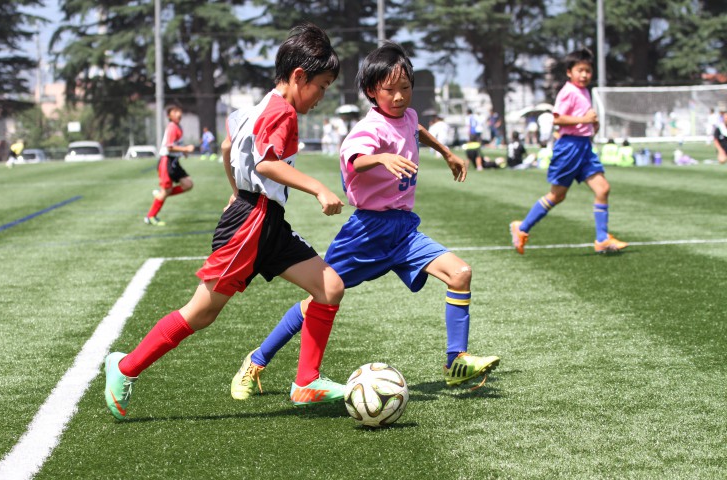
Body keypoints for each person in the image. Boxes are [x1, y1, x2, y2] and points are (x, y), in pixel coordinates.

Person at [230, 41, 499, 402]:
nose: (400, 96)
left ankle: (456, 362)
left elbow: (416, 130)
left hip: (403, 230)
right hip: (366, 233)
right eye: (391, 90)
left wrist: (447, 152)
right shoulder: (367, 129)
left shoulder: (409, 116)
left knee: (460, 273)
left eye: (405, 88)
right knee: (318, 299)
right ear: (373, 91)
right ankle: (257, 361)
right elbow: (354, 158)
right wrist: (381, 158)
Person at [105, 23, 347, 420]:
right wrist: (318, 188)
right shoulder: (283, 112)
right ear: (299, 77)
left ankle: (306, 382)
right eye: (321, 86)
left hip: (264, 220)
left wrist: (235, 190)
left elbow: (226, 144)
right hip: (251, 225)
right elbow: (267, 163)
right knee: (201, 312)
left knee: (330, 287)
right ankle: (124, 367)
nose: (322, 96)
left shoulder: (257, 107)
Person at [509, 48, 628, 255]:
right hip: (568, 148)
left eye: (588, 71)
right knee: (557, 196)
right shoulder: (568, 92)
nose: (584, 75)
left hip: (584, 147)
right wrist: (585, 120)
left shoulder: (584, 91)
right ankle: (521, 228)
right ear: (569, 72)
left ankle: (601, 239)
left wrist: (593, 126)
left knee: (603, 189)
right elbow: (557, 118)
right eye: (580, 70)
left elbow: (583, 119)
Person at [144, 105, 195, 226]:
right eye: (175, 111)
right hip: (166, 161)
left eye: (179, 111)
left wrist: (183, 152)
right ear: (169, 116)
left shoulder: (179, 127)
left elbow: (176, 146)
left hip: (174, 162)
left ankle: (161, 194)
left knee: (188, 184)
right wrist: (185, 148)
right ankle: (150, 216)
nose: (178, 114)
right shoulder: (172, 127)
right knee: (165, 191)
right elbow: (169, 147)